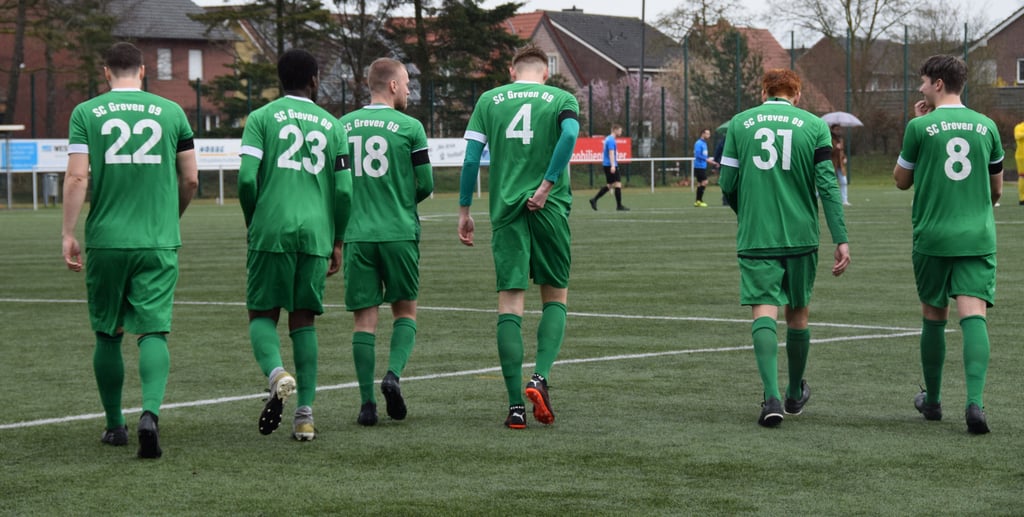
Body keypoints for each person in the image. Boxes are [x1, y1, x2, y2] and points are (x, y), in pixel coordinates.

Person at [61, 42, 199, 459]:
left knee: (108, 332)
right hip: (157, 238)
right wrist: (170, 217)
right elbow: (191, 178)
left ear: (106, 72)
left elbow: (77, 177)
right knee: (153, 330)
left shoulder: (85, 113)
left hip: (106, 239)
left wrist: (68, 231)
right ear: (142, 71)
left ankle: (114, 426)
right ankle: (150, 415)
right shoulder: (173, 112)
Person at [719, 68, 850, 428]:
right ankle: (794, 393)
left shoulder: (740, 124)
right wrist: (841, 237)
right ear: (797, 95)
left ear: (763, 93)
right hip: (801, 235)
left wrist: (745, 211)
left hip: (757, 235)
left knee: (764, 311)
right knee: (798, 315)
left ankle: (771, 396)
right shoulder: (814, 126)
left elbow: (727, 182)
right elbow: (828, 187)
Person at [458, 45, 580, 429]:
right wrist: (545, 185)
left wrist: (464, 210)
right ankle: (539, 377)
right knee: (555, 296)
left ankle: (514, 407)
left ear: (512, 71)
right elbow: (571, 133)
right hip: (550, 207)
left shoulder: (489, 100)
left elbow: (471, 157)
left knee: (510, 303)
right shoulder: (561, 97)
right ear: (545, 73)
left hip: (507, 210)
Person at [238, 48, 352, 441]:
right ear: (315, 80)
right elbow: (345, 191)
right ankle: (304, 415)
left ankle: (276, 374)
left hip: (273, 228)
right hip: (316, 234)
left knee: (261, 314)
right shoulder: (334, 126)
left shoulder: (260, 119)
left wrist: (255, 221)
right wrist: (337, 239)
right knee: (303, 321)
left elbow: (247, 180)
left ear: (279, 78)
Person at [893, 55, 1004, 434]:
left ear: (938, 84)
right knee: (973, 315)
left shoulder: (919, 126)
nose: (921, 88)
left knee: (933, 317)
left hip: (933, 236)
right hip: (976, 236)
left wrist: (916, 124)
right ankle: (975, 405)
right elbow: (996, 190)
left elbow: (900, 180)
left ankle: (935, 402)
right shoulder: (987, 126)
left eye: (924, 82)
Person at [338, 58, 434, 426]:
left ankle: (366, 404)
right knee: (405, 312)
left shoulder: (342, 126)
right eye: (407, 83)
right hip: (398, 232)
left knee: (364, 320)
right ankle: (392, 376)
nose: (409, 89)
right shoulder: (411, 127)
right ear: (392, 86)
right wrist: (399, 200)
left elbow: (338, 184)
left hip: (358, 235)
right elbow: (425, 184)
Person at [589, 124, 629, 211]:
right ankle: (619, 206)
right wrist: (613, 165)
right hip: (610, 165)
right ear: (615, 130)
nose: (621, 132)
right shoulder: (611, 140)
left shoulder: (608, 139)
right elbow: (611, 153)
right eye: (620, 130)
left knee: (610, 185)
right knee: (618, 184)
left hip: (607, 164)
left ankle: (594, 199)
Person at [693, 128, 717, 207]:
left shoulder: (704, 143)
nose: (709, 135)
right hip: (699, 166)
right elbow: (698, 155)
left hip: (702, 166)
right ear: (703, 134)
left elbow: (703, 155)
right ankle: (699, 200)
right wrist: (708, 160)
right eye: (707, 134)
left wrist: (709, 159)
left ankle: (698, 201)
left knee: (700, 183)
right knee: (705, 182)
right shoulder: (699, 143)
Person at [831, 125, 851, 206]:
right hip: (832, 164)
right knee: (828, 183)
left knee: (844, 182)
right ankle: (816, 196)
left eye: (839, 129)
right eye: (836, 129)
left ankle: (845, 200)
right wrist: (835, 148)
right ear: (832, 130)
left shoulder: (841, 139)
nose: (838, 131)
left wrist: (844, 157)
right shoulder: (829, 139)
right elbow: (828, 152)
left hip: (840, 165)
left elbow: (841, 151)